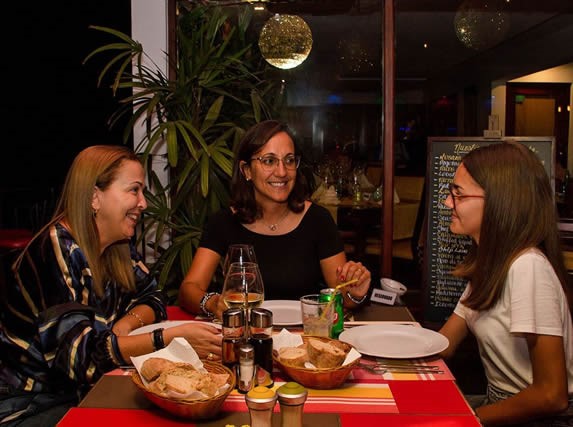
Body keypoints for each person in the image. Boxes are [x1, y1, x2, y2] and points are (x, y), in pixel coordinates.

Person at [0, 145, 221, 426]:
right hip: (29, 405)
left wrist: (125, 326)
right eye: (134, 190)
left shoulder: (117, 246)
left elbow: (153, 296)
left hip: (83, 392)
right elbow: (82, 361)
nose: (144, 203)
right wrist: (166, 338)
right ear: (94, 197)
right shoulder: (52, 252)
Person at [438, 141, 573, 426]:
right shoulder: (492, 263)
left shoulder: (528, 267)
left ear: (498, 201)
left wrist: (465, 420)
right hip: (501, 403)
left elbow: (552, 395)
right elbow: (446, 343)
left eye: (457, 194)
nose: (447, 202)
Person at [179, 120, 371, 319]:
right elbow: (188, 290)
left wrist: (355, 294)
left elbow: (341, 298)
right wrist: (211, 303)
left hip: (304, 338)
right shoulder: (224, 222)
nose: (281, 172)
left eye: (289, 160)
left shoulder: (318, 220)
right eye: (269, 161)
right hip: (245, 338)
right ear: (246, 170)